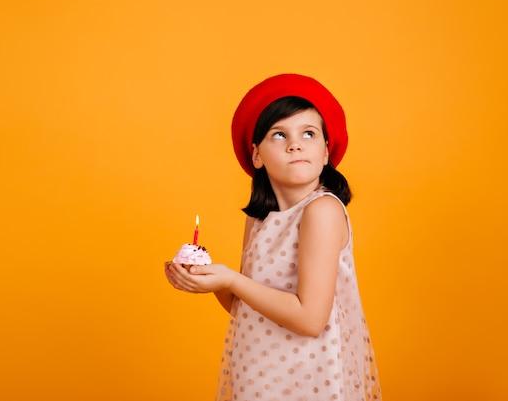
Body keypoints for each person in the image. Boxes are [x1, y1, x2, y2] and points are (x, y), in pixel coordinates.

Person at [164, 74, 382, 401]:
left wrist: (231, 279)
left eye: (308, 133)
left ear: (325, 151)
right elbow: (245, 307)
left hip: (309, 382)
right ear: (256, 155)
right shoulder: (259, 218)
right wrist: (208, 279)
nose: (294, 144)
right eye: (279, 134)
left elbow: (310, 319)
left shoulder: (322, 211)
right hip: (257, 374)